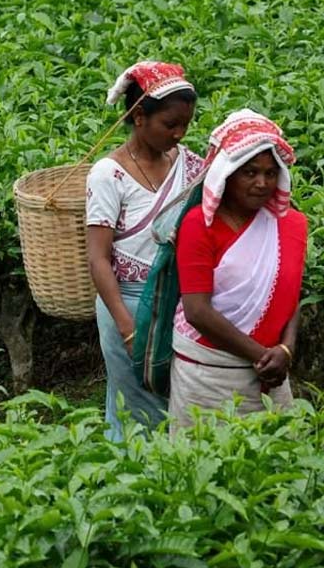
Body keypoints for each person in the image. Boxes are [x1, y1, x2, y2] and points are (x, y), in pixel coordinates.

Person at [85, 61, 202, 440]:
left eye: (185, 124)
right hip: (128, 303)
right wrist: (125, 326)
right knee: (135, 397)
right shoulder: (108, 174)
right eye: (170, 125)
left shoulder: (186, 163)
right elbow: (98, 258)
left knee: (176, 398)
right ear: (139, 117)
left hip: (179, 303)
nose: (179, 134)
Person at [169, 110, 305, 430]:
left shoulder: (291, 225)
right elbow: (197, 311)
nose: (262, 183)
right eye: (250, 173)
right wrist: (262, 356)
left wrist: (286, 349)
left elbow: (290, 294)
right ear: (226, 175)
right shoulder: (198, 227)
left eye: (271, 174)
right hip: (208, 374)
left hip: (272, 371)